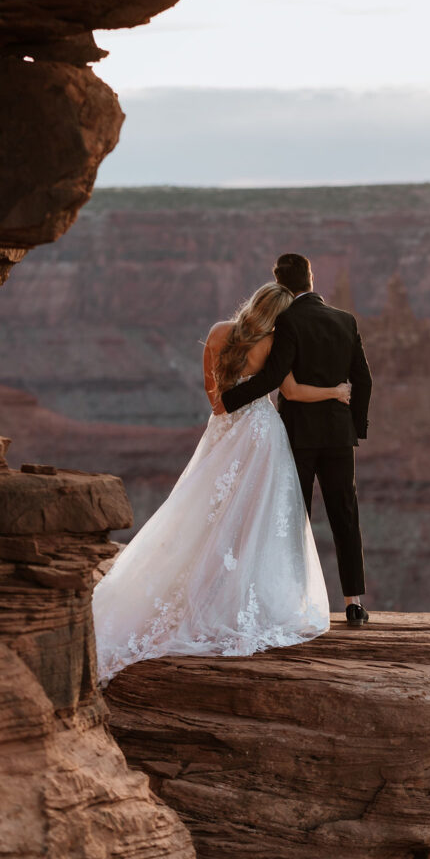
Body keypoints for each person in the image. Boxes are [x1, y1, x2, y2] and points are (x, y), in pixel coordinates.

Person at [93, 282, 351, 685]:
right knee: (257, 521)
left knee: (203, 514)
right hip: (262, 434)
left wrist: (229, 406)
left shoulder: (217, 333)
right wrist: (336, 391)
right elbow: (293, 391)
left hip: (221, 432)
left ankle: (193, 594)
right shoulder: (277, 342)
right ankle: (234, 600)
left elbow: (216, 401)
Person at [221, 254, 373, 628]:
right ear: (311, 277)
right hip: (339, 436)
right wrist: (356, 427)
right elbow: (364, 381)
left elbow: (273, 377)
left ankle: (296, 598)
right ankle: (353, 604)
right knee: (345, 516)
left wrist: (228, 401)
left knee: (296, 517)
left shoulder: (287, 321)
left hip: (299, 436)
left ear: (282, 285)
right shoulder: (346, 320)